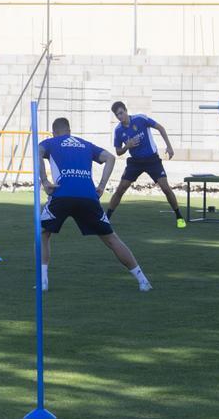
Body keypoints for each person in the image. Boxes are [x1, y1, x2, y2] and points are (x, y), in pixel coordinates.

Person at [38, 117, 152, 293]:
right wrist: (101, 186)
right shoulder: (85, 144)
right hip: (88, 196)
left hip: (62, 193)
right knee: (111, 239)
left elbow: (37, 151)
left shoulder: (51, 142)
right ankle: (143, 280)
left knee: (43, 234)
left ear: (55, 132)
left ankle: (43, 281)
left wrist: (45, 181)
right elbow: (110, 158)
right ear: (69, 130)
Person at [106, 101, 186, 228]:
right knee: (121, 189)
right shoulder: (118, 130)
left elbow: (160, 128)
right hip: (135, 162)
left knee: (165, 188)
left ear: (126, 111)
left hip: (152, 160)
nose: (120, 117)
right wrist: (127, 146)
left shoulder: (140, 119)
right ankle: (107, 218)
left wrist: (169, 147)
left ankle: (179, 216)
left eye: (121, 113)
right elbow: (118, 152)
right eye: (117, 115)